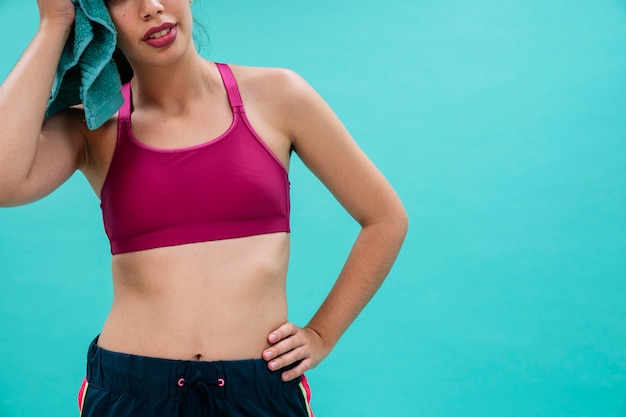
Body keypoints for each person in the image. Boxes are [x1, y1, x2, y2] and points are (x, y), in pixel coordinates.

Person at [0, 0, 408, 415]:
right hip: (132, 392)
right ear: (99, 18)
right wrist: (56, 22)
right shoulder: (94, 127)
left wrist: (322, 334)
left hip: (258, 391)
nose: (152, 8)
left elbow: (385, 219)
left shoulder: (279, 96)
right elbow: (3, 180)